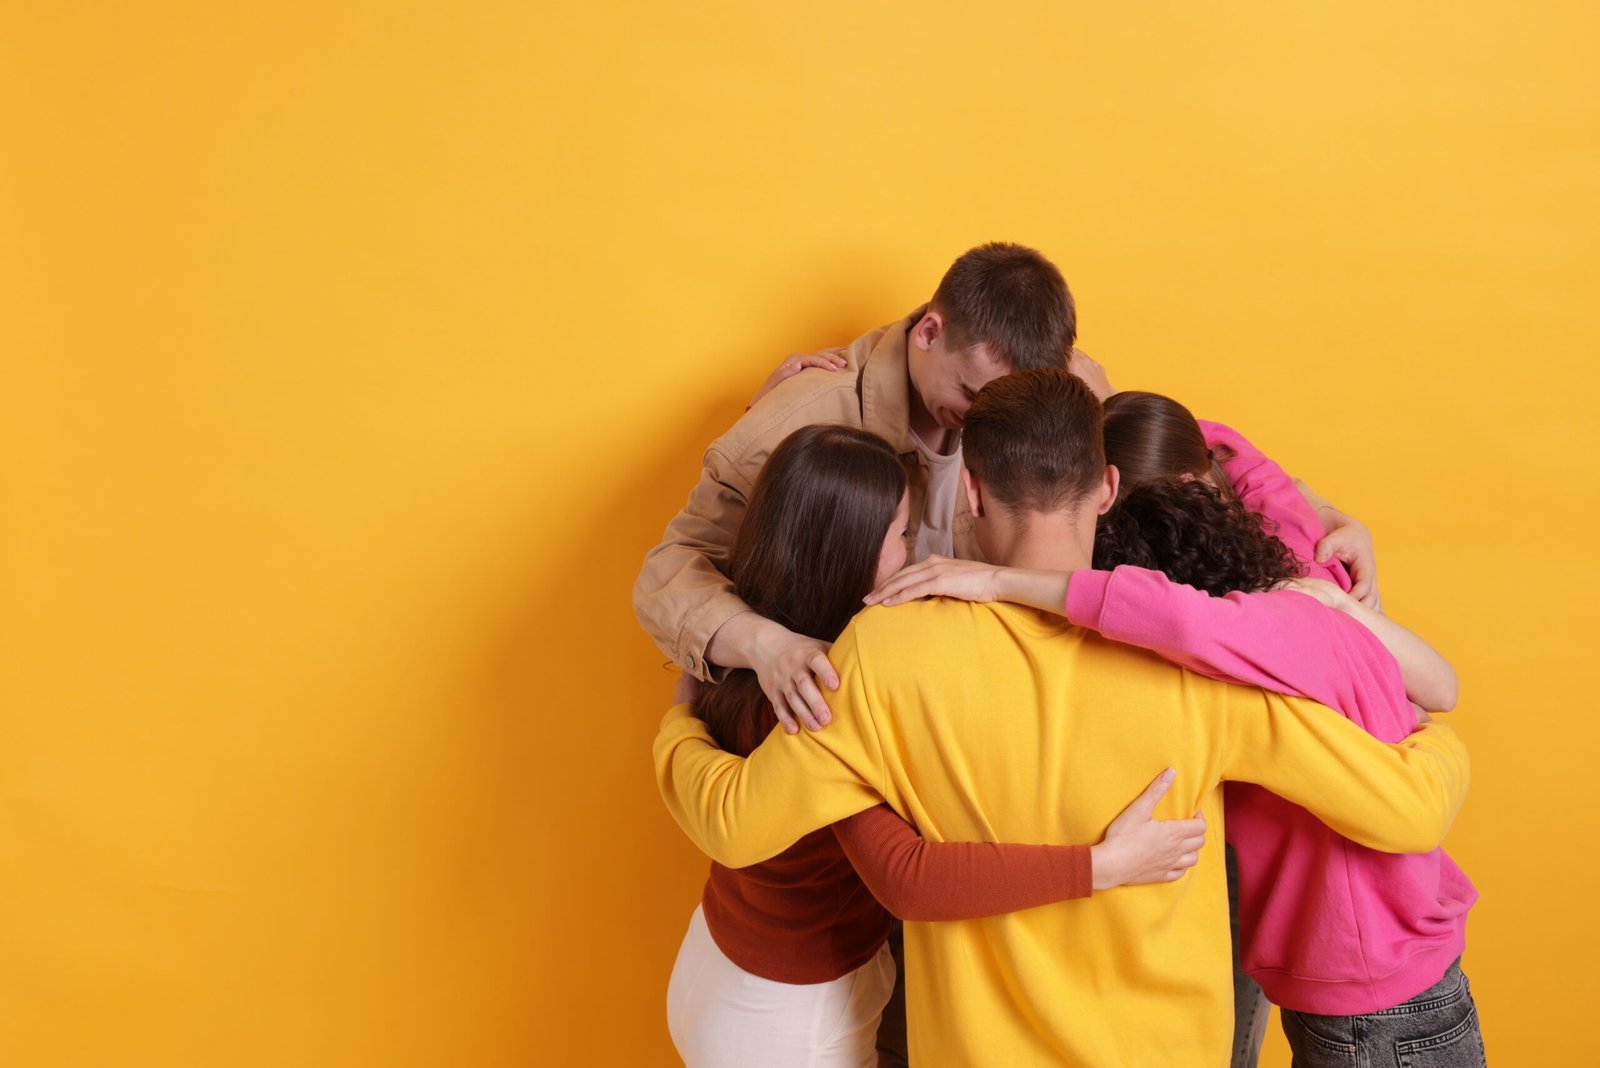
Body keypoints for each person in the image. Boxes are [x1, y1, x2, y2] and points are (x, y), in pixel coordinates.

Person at [655, 369, 1472, 1066]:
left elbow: (740, 825)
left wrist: (680, 723)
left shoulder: (881, 651)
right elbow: (1409, 811)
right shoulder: (1199, 663)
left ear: (971, 492)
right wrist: (1437, 742)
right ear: (1107, 489)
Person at [665, 424, 1207, 1067]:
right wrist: (1104, 865)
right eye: (901, 535)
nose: (917, 550)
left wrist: (677, 727)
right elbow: (906, 877)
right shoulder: (825, 690)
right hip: (788, 1017)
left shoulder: (744, 643)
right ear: (848, 551)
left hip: (714, 961)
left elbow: (688, 712)